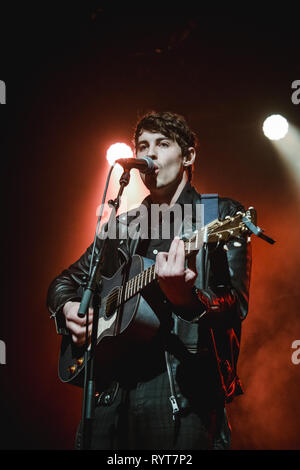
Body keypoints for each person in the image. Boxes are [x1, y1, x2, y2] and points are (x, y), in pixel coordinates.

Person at [47, 111, 252, 450]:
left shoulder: (219, 215)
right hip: (112, 394)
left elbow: (235, 306)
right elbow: (63, 282)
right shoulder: (122, 226)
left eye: (162, 143)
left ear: (188, 156)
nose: (150, 154)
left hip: (181, 392)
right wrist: (68, 306)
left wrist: (187, 299)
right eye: (143, 145)